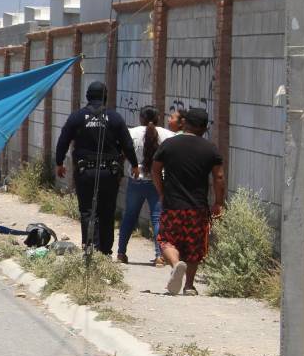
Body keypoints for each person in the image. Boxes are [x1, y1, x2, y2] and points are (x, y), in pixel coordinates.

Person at [54, 81, 138, 257]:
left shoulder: (77, 117)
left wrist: (59, 163)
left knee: (87, 211)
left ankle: (90, 248)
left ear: (87, 97)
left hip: (85, 172)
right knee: (107, 211)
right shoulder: (114, 118)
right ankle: (105, 252)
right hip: (109, 173)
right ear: (105, 97)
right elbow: (127, 144)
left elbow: (63, 141)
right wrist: (135, 165)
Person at [151, 107, 226, 296]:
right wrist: (218, 202)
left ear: (185, 123)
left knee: (166, 240)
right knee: (195, 246)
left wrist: (161, 192)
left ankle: (176, 265)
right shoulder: (210, 149)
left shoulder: (169, 144)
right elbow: (219, 177)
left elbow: (155, 169)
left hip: (172, 205)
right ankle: (189, 286)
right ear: (204, 128)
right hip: (198, 208)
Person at [116, 106, 175, 265]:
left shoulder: (131, 133)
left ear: (141, 118)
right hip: (158, 182)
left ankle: (121, 253)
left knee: (129, 216)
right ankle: (159, 256)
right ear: (157, 118)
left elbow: (121, 154)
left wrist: (120, 173)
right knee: (157, 219)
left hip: (136, 180)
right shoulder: (168, 135)